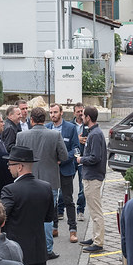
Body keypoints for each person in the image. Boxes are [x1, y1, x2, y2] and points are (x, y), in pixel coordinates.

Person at [17, 107, 69, 252]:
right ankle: (47, 249)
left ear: (31, 120)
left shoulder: (21, 136)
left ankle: (28, 248)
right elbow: (64, 156)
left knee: (28, 215)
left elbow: (16, 158)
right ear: (44, 119)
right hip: (49, 181)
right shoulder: (55, 135)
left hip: (27, 180)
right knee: (47, 216)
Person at [48, 103, 81, 243]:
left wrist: (63, 159)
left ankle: (72, 230)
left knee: (68, 200)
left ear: (61, 113)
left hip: (66, 169)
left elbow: (75, 149)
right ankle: (54, 226)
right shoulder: (47, 128)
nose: (53, 115)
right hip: (51, 170)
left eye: (55, 112)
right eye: (51, 112)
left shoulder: (71, 128)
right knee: (51, 201)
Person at [76, 106, 107, 253]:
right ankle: (95, 237)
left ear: (88, 117)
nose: (81, 117)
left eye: (83, 115)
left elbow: (95, 158)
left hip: (93, 177)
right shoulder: (94, 133)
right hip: (91, 176)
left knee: (96, 211)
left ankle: (98, 242)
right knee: (93, 209)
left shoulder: (95, 135)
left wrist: (81, 159)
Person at [72, 103, 88, 220]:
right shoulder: (69, 126)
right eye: (78, 111)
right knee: (65, 186)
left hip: (83, 159)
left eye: (82, 111)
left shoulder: (88, 125)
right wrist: (78, 138)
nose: (80, 113)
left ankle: (80, 211)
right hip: (72, 159)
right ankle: (61, 210)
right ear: (74, 113)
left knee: (83, 187)